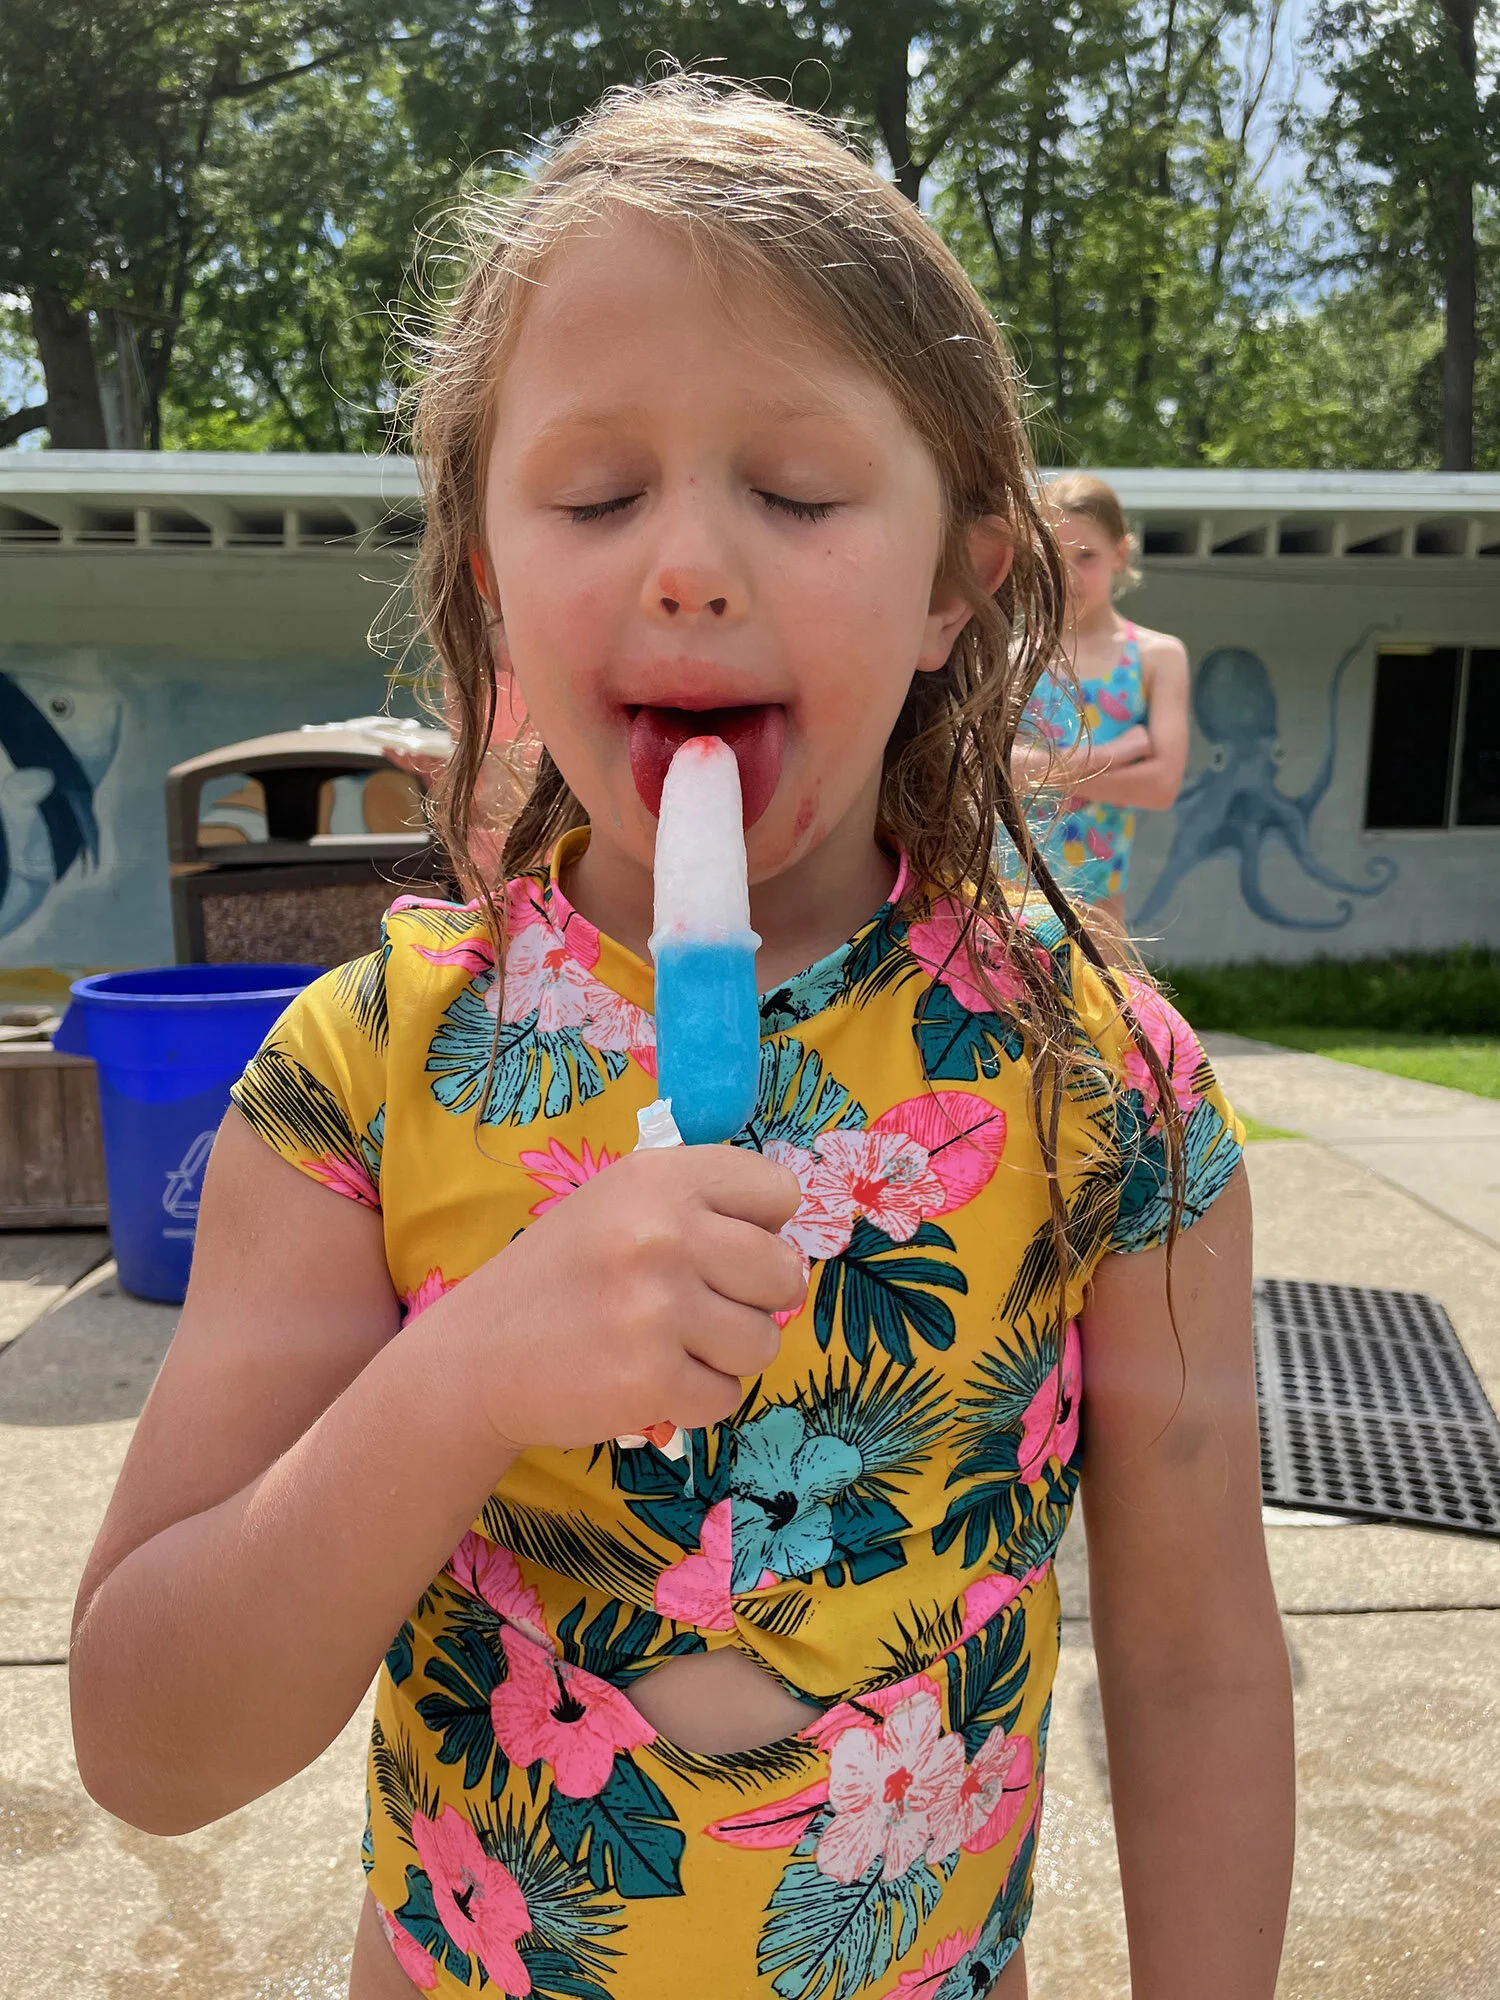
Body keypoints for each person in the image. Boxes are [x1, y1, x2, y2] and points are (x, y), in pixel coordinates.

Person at [69, 79, 1292, 2000]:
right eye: (593, 493)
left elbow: (1204, 1663)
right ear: (486, 572)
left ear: (961, 585)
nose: (690, 563)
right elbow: (148, 1743)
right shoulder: (363, 1081)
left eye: (797, 493)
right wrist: (463, 1375)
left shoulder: (1101, 1090)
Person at [1009, 473, 1190, 934]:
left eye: (1085, 556)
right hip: (1002, 899)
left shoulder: (1155, 656)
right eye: (1051, 557)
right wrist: (1111, 756)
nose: (1065, 576)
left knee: (1099, 1007)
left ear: (1120, 553)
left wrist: (1040, 775)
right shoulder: (1012, 657)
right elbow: (991, 769)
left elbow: (1161, 785)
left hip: (1098, 913)